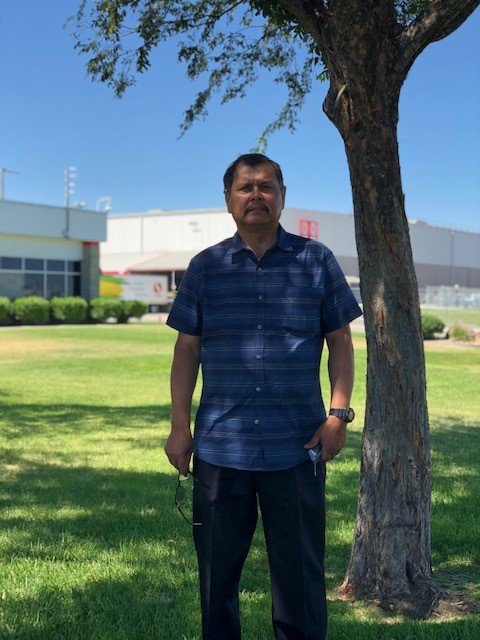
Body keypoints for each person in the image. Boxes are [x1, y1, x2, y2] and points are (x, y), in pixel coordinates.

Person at [164, 153, 362, 640]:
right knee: (216, 581)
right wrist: (179, 428)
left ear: (282, 197)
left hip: (296, 447)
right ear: (228, 200)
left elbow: (340, 340)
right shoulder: (205, 267)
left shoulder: (316, 261)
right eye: (245, 187)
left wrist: (338, 415)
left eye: (266, 186)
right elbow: (187, 349)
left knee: (300, 581)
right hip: (219, 450)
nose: (256, 195)